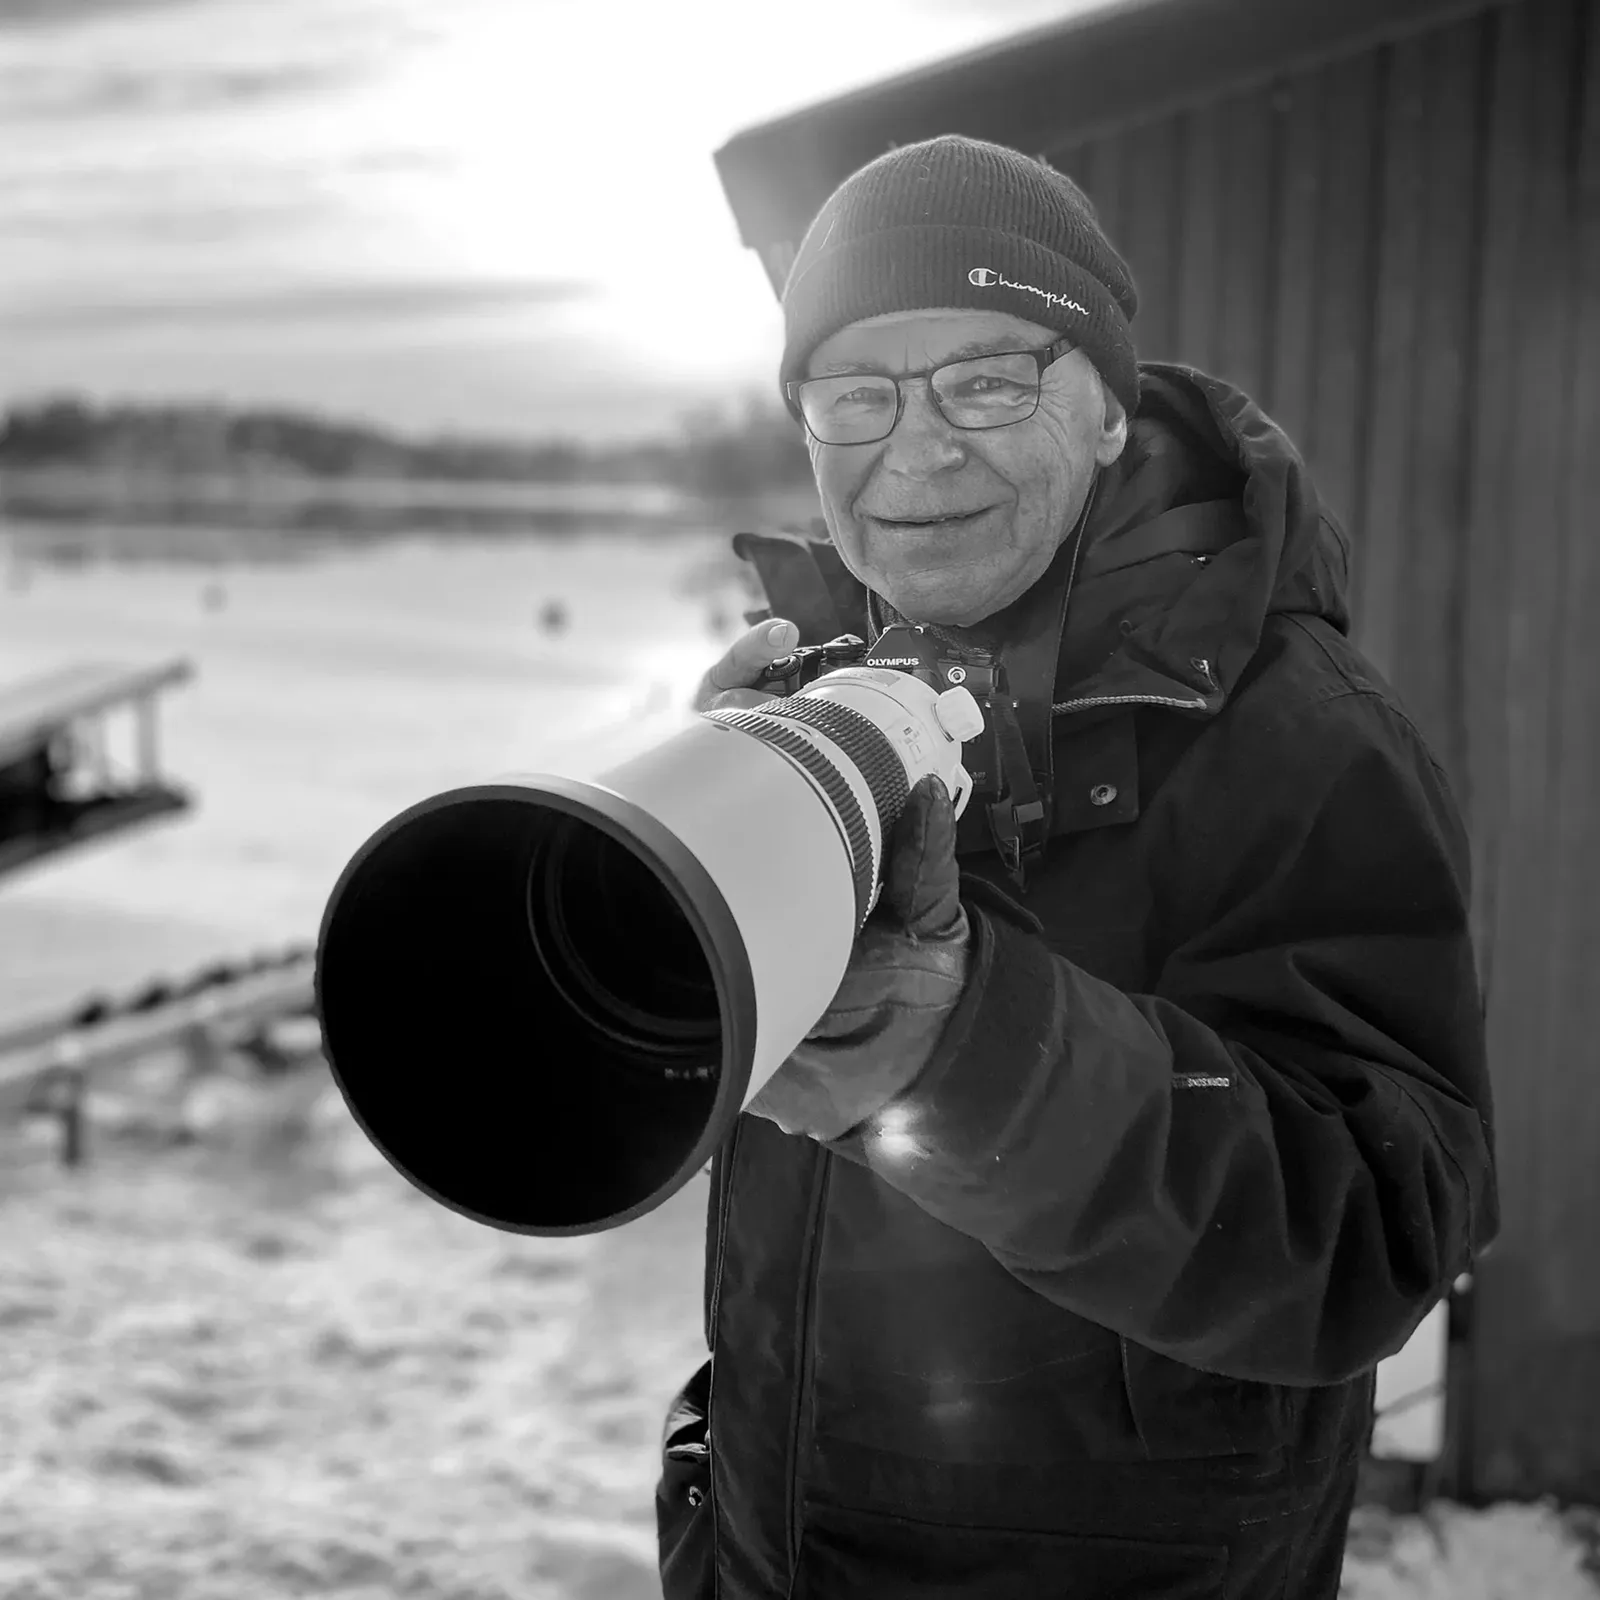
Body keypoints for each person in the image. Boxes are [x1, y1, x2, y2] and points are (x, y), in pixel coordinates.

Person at [657, 134, 1498, 1600]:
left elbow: (1382, 1225)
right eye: (855, 395)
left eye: (985, 380)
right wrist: (711, 874)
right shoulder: (823, 692)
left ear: (1107, 409)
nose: (913, 451)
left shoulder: (1295, 739)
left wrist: (960, 1054)